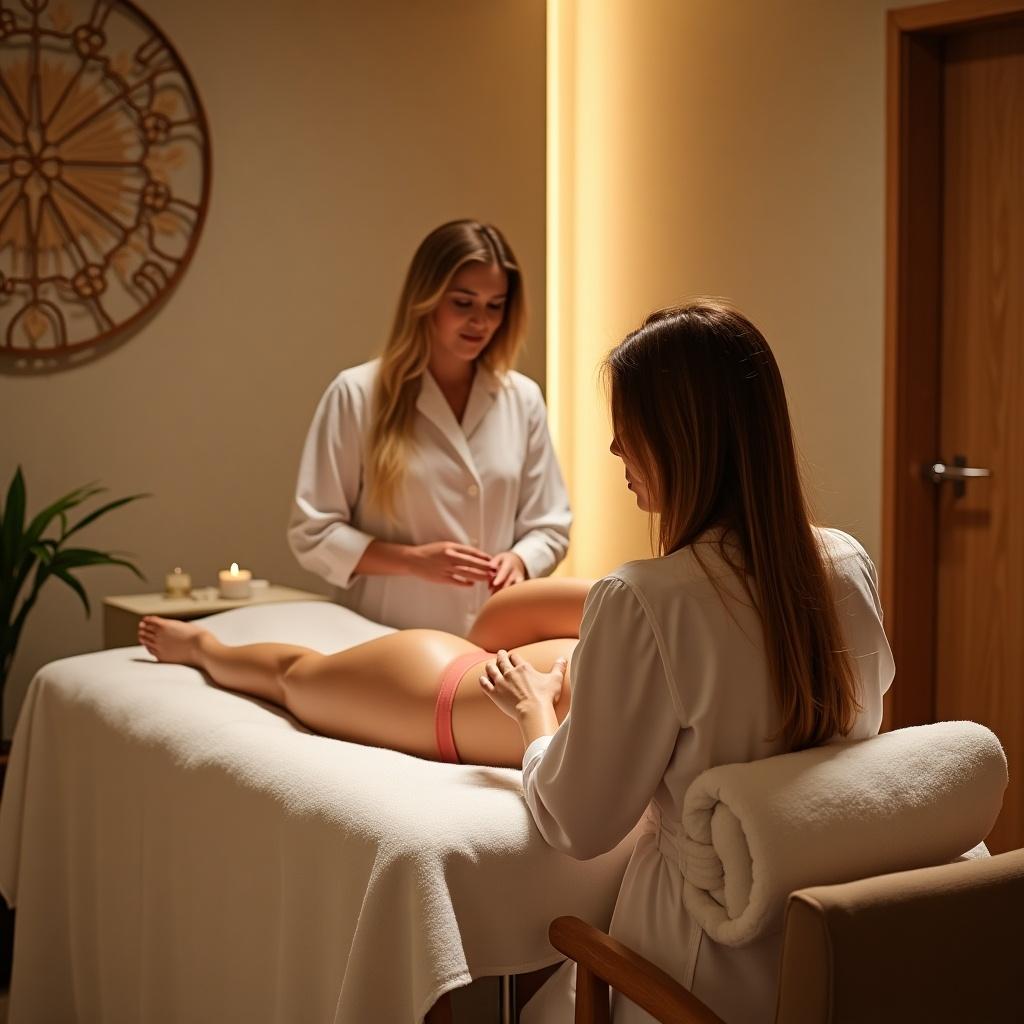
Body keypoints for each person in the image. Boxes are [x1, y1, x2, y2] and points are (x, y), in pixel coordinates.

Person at [479, 301, 895, 1024]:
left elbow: (579, 824)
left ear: (679, 438)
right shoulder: (848, 564)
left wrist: (534, 716)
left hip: (694, 976)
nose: (614, 451)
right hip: (836, 953)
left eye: (628, 429)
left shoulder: (645, 600)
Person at [288, 220, 572, 638]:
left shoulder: (522, 398)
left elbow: (549, 524)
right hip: (384, 640)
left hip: (492, 643)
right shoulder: (357, 395)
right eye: (463, 303)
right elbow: (313, 533)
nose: (481, 321)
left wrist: (521, 560)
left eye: (495, 306)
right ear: (426, 299)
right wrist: (412, 560)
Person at [136, 576, 589, 770]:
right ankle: (202, 647)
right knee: (292, 678)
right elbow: (498, 622)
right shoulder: (631, 600)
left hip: (454, 676)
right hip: (429, 690)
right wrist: (530, 706)